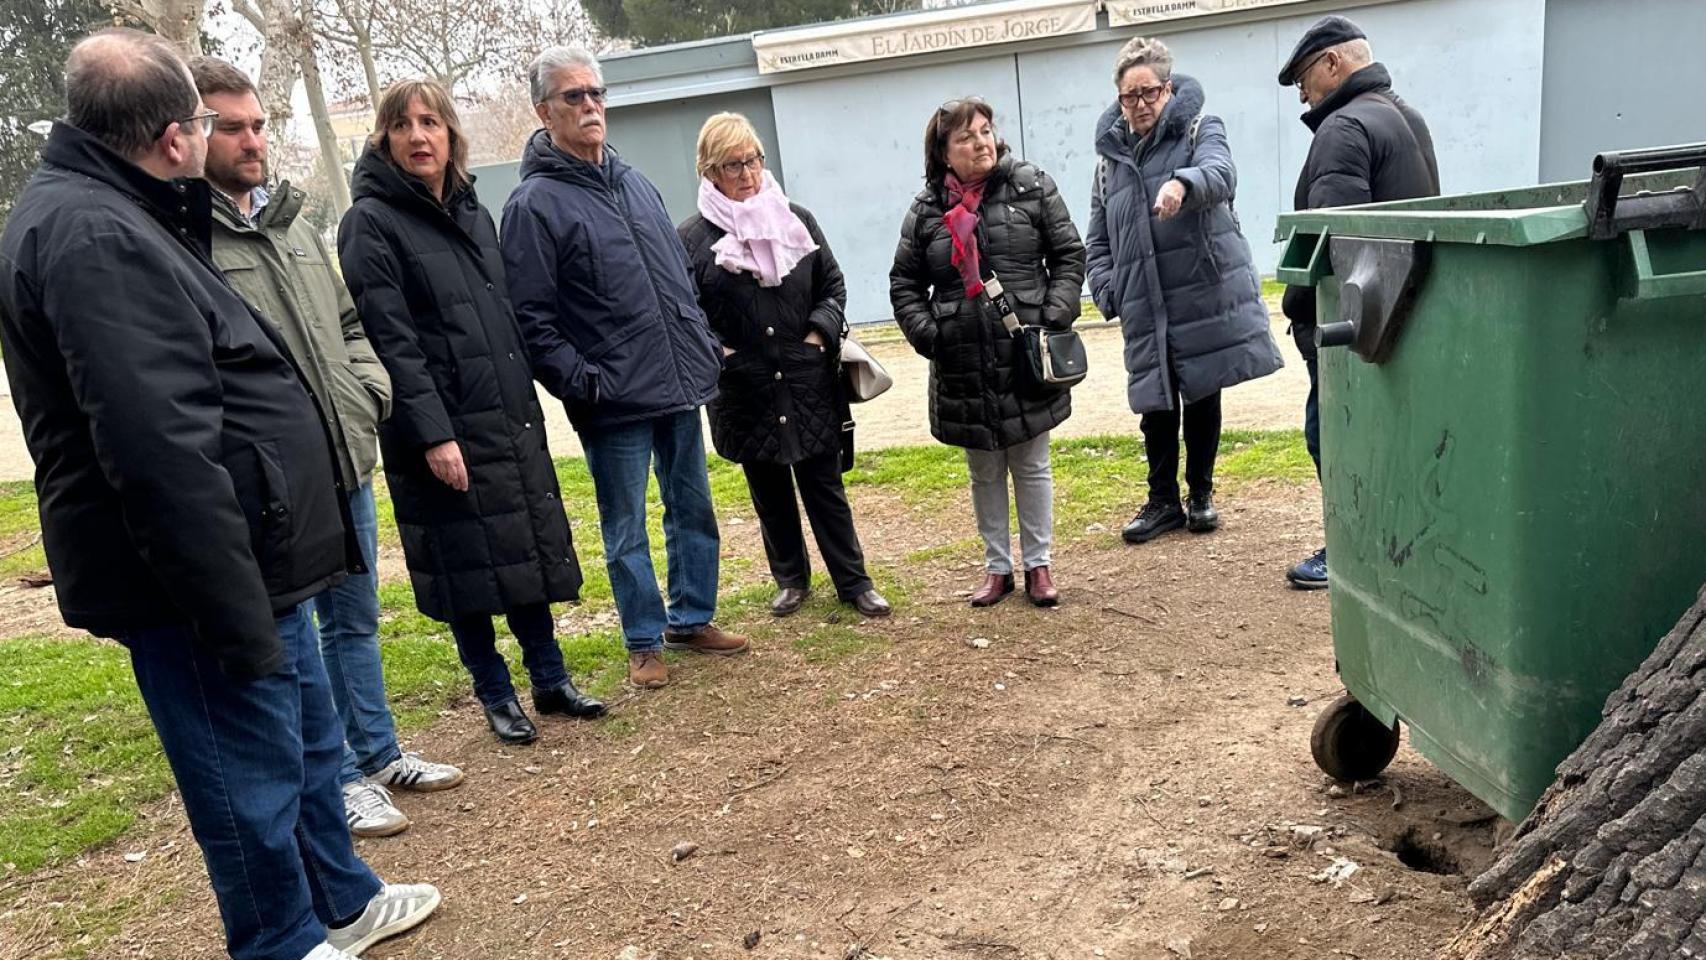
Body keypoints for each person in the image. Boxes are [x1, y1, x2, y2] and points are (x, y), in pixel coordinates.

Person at [0, 29, 437, 960]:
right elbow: (158, 448)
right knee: (249, 781)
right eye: (205, 123)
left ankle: (343, 900)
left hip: (262, 555)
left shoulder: (127, 209)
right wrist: (227, 607)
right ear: (173, 137)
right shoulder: (91, 234)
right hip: (199, 579)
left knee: (310, 746)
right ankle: (281, 940)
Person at [192, 56, 464, 840]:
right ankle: (338, 776)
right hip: (277, 485)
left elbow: (351, 328)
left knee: (357, 621)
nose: (250, 141)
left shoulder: (295, 226)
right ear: (192, 132)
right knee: (300, 640)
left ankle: (377, 753)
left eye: (257, 126)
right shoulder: (188, 242)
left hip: (344, 460)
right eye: (229, 126)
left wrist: (368, 395)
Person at [338, 77, 604, 745]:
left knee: (523, 554)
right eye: (403, 126)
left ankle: (550, 677)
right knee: (464, 567)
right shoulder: (370, 223)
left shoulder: (472, 213)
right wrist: (433, 435)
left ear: (451, 134)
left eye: (431, 122)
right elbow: (390, 340)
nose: (419, 136)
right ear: (386, 138)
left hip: (503, 417)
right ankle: (493, 691)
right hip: (442, 429)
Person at [502, 46, 745, 690]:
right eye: (573, 97)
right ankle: (643, 638)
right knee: (626, 526)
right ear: (543, 112)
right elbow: (532, 320)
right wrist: (585, 384)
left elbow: (676, 281)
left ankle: (692, 616)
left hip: (675, 381)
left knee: (691, 506)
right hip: (612, 399)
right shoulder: (533, 205)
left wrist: (698, 341)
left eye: (596, 94)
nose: (590, 106)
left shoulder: (635, 182)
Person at [677, 113, 891, 620]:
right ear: (709, 172)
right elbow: (683, 310)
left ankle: (854, 581)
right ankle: (791, 579)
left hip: (805, 374)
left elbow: (833, 285)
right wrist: (719, 352)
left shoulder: (797, 218)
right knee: (768, 487)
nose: (748, 173)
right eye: (734, 165)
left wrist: (819, 333)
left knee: (824, 483)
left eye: (754, 160)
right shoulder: (690, 238)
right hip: (744, 384)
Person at [1086, 37, 1284, 546]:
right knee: (1155, 399)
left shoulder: (1201, 128)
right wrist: (1106, 286)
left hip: (1195, 287)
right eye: (1130, 96)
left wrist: (1183, 184)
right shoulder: (1109, 159)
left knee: (1200, 388)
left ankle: (1200, 494)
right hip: (1142, 294)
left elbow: (1221, 174)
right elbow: (1098, 233)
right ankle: (1161, 501)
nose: (1141, 104)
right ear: (1118, 99)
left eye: (1149, 92)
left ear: (1168, 89)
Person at [890, 97, 1085, 608]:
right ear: (943, 153)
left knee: (1032, 462)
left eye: (985, 131)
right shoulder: (926, 209)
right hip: (962, 358)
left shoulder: (1030, 184)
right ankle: (998, 568)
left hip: (1025, 350)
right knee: (983, 468)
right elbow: (904, 283)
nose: (981, 142)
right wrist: (932, 335)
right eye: (966, 137)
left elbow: (1069, 254)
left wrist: (1054, 314)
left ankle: (1039, 566)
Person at [1277, 16, 1439, 589]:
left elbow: (1332, 244)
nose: (1302, 93)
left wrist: (1298, 310)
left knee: (1334, 435)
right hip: (1406, 307)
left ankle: (1350, 545)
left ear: (1334, 64)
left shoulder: (1343, 129)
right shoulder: (1407, 117)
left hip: (1354, 320)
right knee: (1395, 436)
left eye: (1303, 78)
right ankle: (1400, 542)